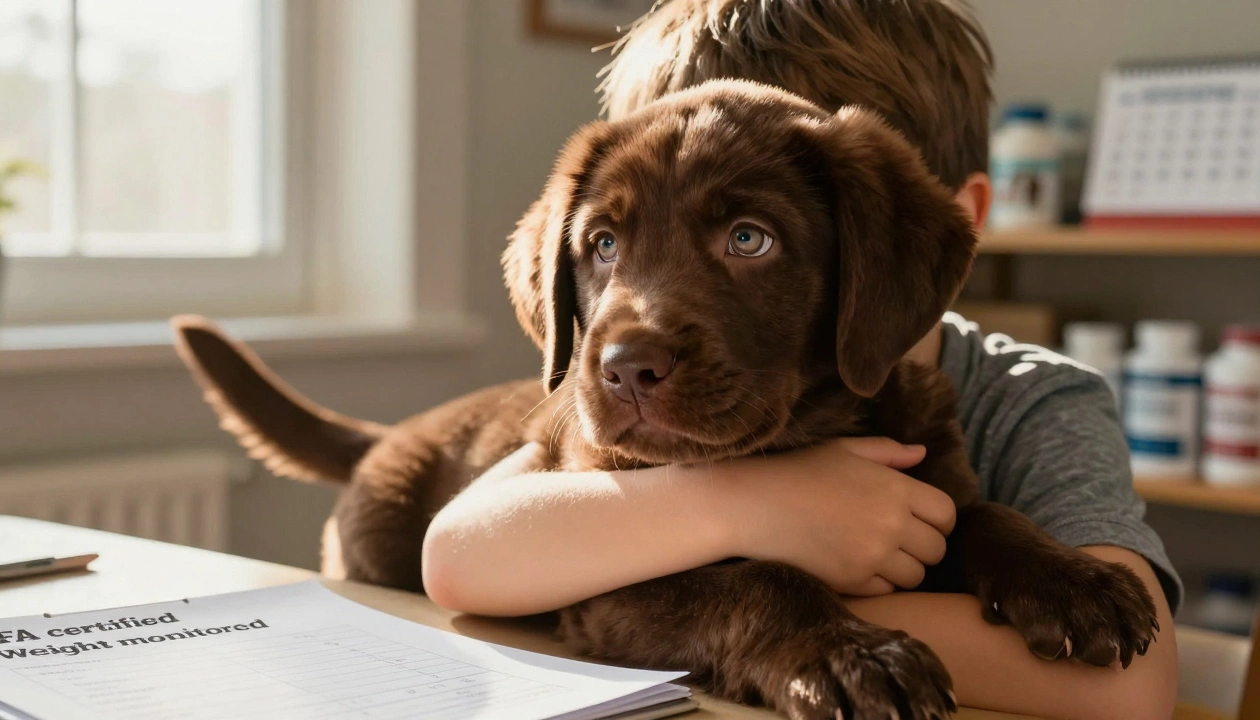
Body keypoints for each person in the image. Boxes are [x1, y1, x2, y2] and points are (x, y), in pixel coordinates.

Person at [422, 2, 1181, 717]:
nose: (633, 338)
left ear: (926, 234)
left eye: (748, 237)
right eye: (608, 243)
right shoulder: (617, 423)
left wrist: (816, 604)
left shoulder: (1032, 405)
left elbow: (1130, 686)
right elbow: (459, 556)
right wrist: (750, 513)